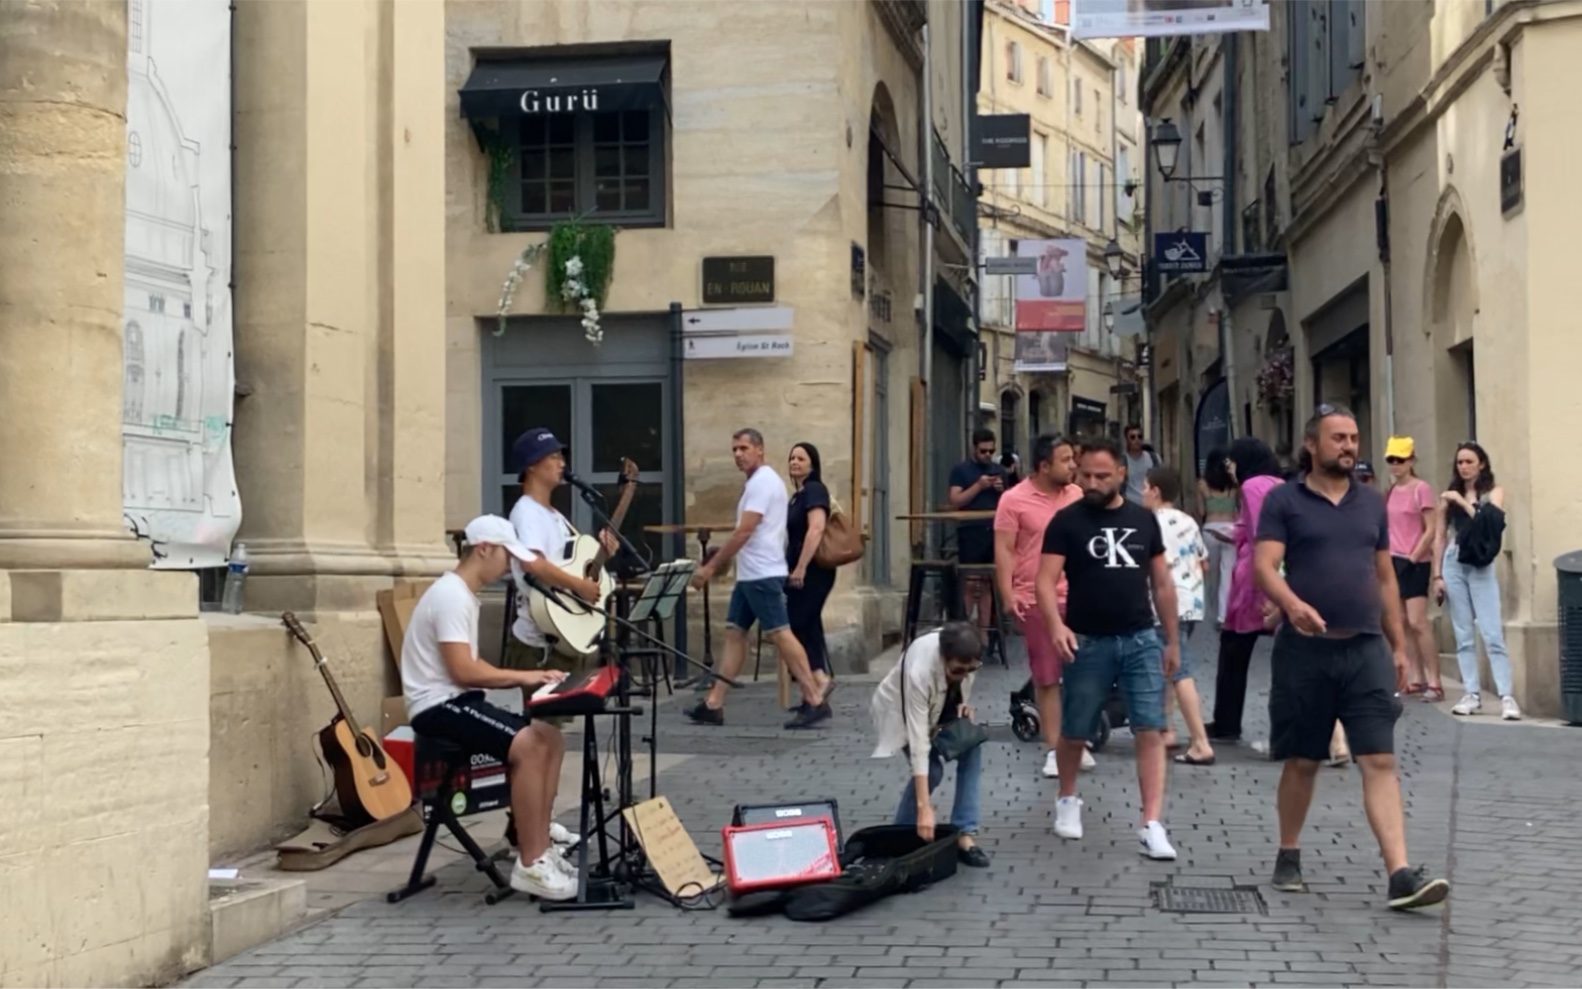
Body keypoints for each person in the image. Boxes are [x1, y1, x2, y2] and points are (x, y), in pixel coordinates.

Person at [1254, 405, 1450, 911]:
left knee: (1380, 758)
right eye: (1337, 437)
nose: (1348, 446)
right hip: (1305, 652)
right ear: (1311, 445)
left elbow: (1385, 576)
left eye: (1353, 437)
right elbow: (1264, 566)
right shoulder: (1284, 500)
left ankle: (1400, 874)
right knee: (1303, 760)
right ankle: (1289, 852)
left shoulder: (1371, 503)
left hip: (1365, 649)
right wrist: (1292, 605)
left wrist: (1398, 644)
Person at [401, 515, 578, 901]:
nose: (508, 565)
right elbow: (463, 671)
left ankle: (538, 845)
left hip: (456, 701)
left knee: (549, 736)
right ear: (484, 549)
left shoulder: (461, 594)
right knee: (530, 744)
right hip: (438, 706)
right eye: (505, 555)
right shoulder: (451, 595)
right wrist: (524, 677)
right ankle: (531, 863)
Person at [1036, 438, 1181, 860]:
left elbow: (1162, 583)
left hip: (1139, 637)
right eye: (1085, 476)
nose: (1093, 483)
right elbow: (1045, 580)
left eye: (1102, 476)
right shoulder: (1066, 521)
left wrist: (1171, 640)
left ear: (1122, 474)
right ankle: (1067, 798)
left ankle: (1151, 822)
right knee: (1075, 727)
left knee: (1150, 728)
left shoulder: (1143, 520)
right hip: (1087, 639)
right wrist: (1056, 626)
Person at [688, 428, 829, 729]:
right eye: (734, 450)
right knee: (735, 635)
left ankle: (814, 698)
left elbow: (744, 531)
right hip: (750, 574)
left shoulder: (763, 483)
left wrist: (711, 567)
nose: (738, 455)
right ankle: (714, 704)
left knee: (780, 633)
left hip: (763, 574)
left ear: (760, 451)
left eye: (743, 449)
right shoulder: (756, 483)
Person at [992, 433, 1095, 778]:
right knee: (1048, 675)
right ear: (1043, 465)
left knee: (1082, 674)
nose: (1073, 466)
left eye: (1073, 459)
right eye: (1066, 460)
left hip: (1080, 595)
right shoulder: (1013, 500)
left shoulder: (1078, 495)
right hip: (1035, 597)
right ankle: (1055, 749)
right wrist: (1008, 595)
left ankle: (1076, 741)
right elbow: (1005, 549)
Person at [502, 428, 615, 699]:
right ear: (531, 466)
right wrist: (579, 586)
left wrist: (603, 554)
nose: (562, 463)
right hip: (538, 644)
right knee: (539, 729)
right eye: (553, 457)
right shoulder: (527, 511)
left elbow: (566, 565)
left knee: (551, 729)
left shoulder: (553, 515)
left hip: (559, 636)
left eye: (561, 456)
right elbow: (533, 564)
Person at [870, 622, 990, 867]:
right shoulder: (920, 670)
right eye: (959, 669)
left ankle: (965, 832)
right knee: (931, 771)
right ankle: (901, 835)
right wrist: (925, 807)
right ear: (944, 658)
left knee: (971, 746)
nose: (965, 673)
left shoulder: (966, 657)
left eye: (971, 668)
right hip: (901, 711)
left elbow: (963, 679)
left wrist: (962, 702)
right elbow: (918, 743)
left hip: (942, 702)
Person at [1206, 437, 1285, 742]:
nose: (1229, 468)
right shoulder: (1280, 484)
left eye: (1231, 462)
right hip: (1274, 573)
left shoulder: (1251, 487)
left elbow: (1258, 532)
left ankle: (1227, 722)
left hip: (1255, 579)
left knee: (1234, 649)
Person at [1433, 441, 1518, 720]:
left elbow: (1489, 524)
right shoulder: (1449, 496)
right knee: (1463, 633)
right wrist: (1437, 575)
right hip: (1455, 560)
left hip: (1480, 564)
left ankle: (1507, 696)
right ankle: (1471, 693)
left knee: (1492, 632)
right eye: (1460, 462)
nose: (1464, 467)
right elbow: (1440, 537)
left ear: (1481, 463)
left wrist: (1462, 502)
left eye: (1469, 461)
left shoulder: (1493, 493)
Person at [1144, 466, 1215, 767]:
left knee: (1179, 670)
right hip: (1192, 603)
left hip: (1164, 605)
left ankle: (1200, 742)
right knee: (1169, 668)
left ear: (1156, 491)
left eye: (1145, 487)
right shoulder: (1188, 520)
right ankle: (1167, 729)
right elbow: (1205, 564)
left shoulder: (1148, 523)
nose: (1143, 493)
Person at [1383, 436, 1443, 702]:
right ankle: (1416, 676)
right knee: (1403, 621)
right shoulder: (1391, 491)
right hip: (1394, 558)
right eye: (1391, 460)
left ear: (1411, 460)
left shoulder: (1422, 489)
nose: (1396, 465)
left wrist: (1414, 555)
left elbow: (1431, 528)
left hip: (1415, 560)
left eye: (1401, 459)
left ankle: (1435, 680)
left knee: (1419, 621)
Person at [785, 442, 835, 701]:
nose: (794, 462)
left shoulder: (815, 490)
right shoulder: (798, 495)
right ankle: (814, 688)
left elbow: (815, 529)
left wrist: (801, 567)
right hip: (799, 569)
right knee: (809, 623)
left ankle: (819, 678)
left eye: (801, 458)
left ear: (812, 464)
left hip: (813, 570)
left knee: (799, 623)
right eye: (792, 458)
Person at [948, 429, 1007, 638]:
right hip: (970, 529)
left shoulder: (999, 470)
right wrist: (978, 486)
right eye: (983, 451)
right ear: (974, 448)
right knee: (971, 581)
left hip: (994, 530)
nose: (987, 455)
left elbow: (1010, 504)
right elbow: (955, 501)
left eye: (991, 451)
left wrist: (1001, 490)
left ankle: (983, 634)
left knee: (988, 582)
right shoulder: (961, 470)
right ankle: (966, 630)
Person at [1197, 448, 1238, 626]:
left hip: (1210, 530)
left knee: (1210, 574)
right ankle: (1223, 615)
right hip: (1230, 529)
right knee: (1227, 573)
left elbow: (1201, 511)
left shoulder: (1202, 484)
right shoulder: (1234, 485)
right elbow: (1240, 510)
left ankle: (1208, 609)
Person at [1123, 426, 1161, 505]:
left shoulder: (1154, 458)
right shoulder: (1122, 462)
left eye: (1139, 436)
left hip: (1151, 505)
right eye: (1132, 437)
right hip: (1130, 505)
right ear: (1127, 440)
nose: (1137, 440)